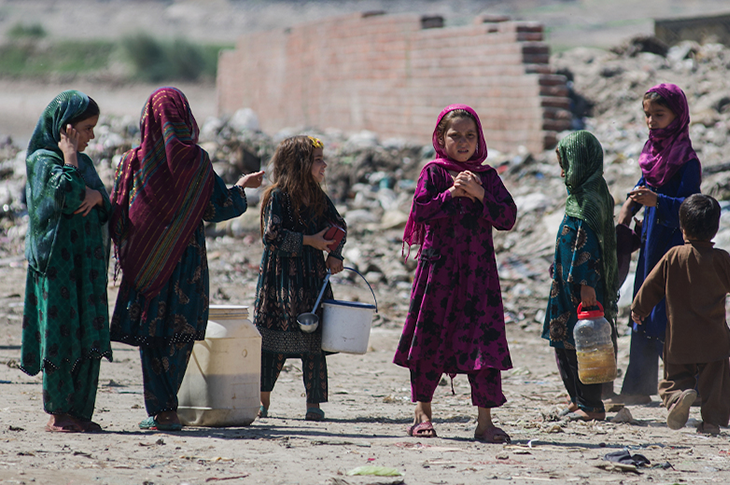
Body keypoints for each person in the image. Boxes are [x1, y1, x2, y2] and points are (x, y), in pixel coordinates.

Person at [109, 87, 264, 431]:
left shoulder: (132, 162)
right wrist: (242, 188)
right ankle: (168, 409)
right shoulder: (196, 163)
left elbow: (118, 215)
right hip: (186, 263)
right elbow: (218, 207)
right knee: (178, 334)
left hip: (145, 263)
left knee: (151, 333)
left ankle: (161, 409)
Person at [394, 104, 517, 442]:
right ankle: (422, 412)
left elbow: (507, 217)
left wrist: (479, 195)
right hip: (438, 273)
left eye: (470, 136)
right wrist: (450, 194)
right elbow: (420, 210)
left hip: (479, 276)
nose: (463, 142)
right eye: (455, 135)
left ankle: (485, 421)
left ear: (479, 139)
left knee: (483, 343)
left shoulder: (488, 177)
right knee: (430, 339)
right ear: (440, 138)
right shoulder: (434, 173)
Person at [21, 90, 112, 433]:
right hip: (57, 268)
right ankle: (59, 413)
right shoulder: (43, 161)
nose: (91, 136)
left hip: (86, 268)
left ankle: (80, 411)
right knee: (61, 335)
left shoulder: (85, 164)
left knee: (87, 333)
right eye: (86, 129)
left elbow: (107, 203)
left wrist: (97, 196)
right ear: (67, 128)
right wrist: (70, 156)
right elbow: (66, 195)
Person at [613, 83, 701, 405]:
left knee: (669, 313)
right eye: (648, 115)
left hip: (673, 245)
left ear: (678, 117)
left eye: (659, 115)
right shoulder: (653, 153)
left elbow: (689, 206)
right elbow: (643, 183)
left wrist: (657, 202)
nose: (651, 121)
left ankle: (682, 387)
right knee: (643, 306)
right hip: (651, 243)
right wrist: (627, 208)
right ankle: (637, 388)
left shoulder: (687, 162)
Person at [254, 135, 346, 421]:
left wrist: (335, 253)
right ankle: (263, 403)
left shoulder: (317, 196)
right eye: (318, 160)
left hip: (311, 279)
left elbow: (338, 224)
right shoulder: (277, 196)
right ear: (300, 164)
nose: (324, 165)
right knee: (272, 343)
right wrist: (310, 241)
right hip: (280, 281)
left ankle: (313, 404)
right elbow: (272, 238)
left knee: (313, 342)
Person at [631, 194, 730, 435]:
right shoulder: (722, 259)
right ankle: (711, 422)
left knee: (674, 377)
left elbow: (651, 286)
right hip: (715, 337)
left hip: (679, 336)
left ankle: (677, 399)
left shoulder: (674, 256)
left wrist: (638, 309)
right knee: (716, 382)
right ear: (716, 228)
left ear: (683, 228)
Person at [543, 131, 619, 422]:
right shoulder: (581, 195)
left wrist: (587, 285)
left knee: (583, 345)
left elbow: (588, 245)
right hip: (567, 284)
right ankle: (578, 400)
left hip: (581, 288)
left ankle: (591, 404)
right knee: (566, 345)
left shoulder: (589, 199)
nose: (563, 171)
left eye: (566, 163)